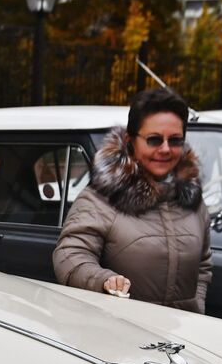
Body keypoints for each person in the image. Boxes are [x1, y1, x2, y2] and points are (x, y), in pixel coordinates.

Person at [53, 87, 212, 313]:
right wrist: (104, 281)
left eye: (175, 140)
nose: (165, 149)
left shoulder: (192, 198)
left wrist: (197, 307)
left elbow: (203, 265)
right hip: (121, 335)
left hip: (180, 339)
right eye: (154, 139)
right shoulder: (101, 197)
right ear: (131, 140)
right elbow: (70, 256)